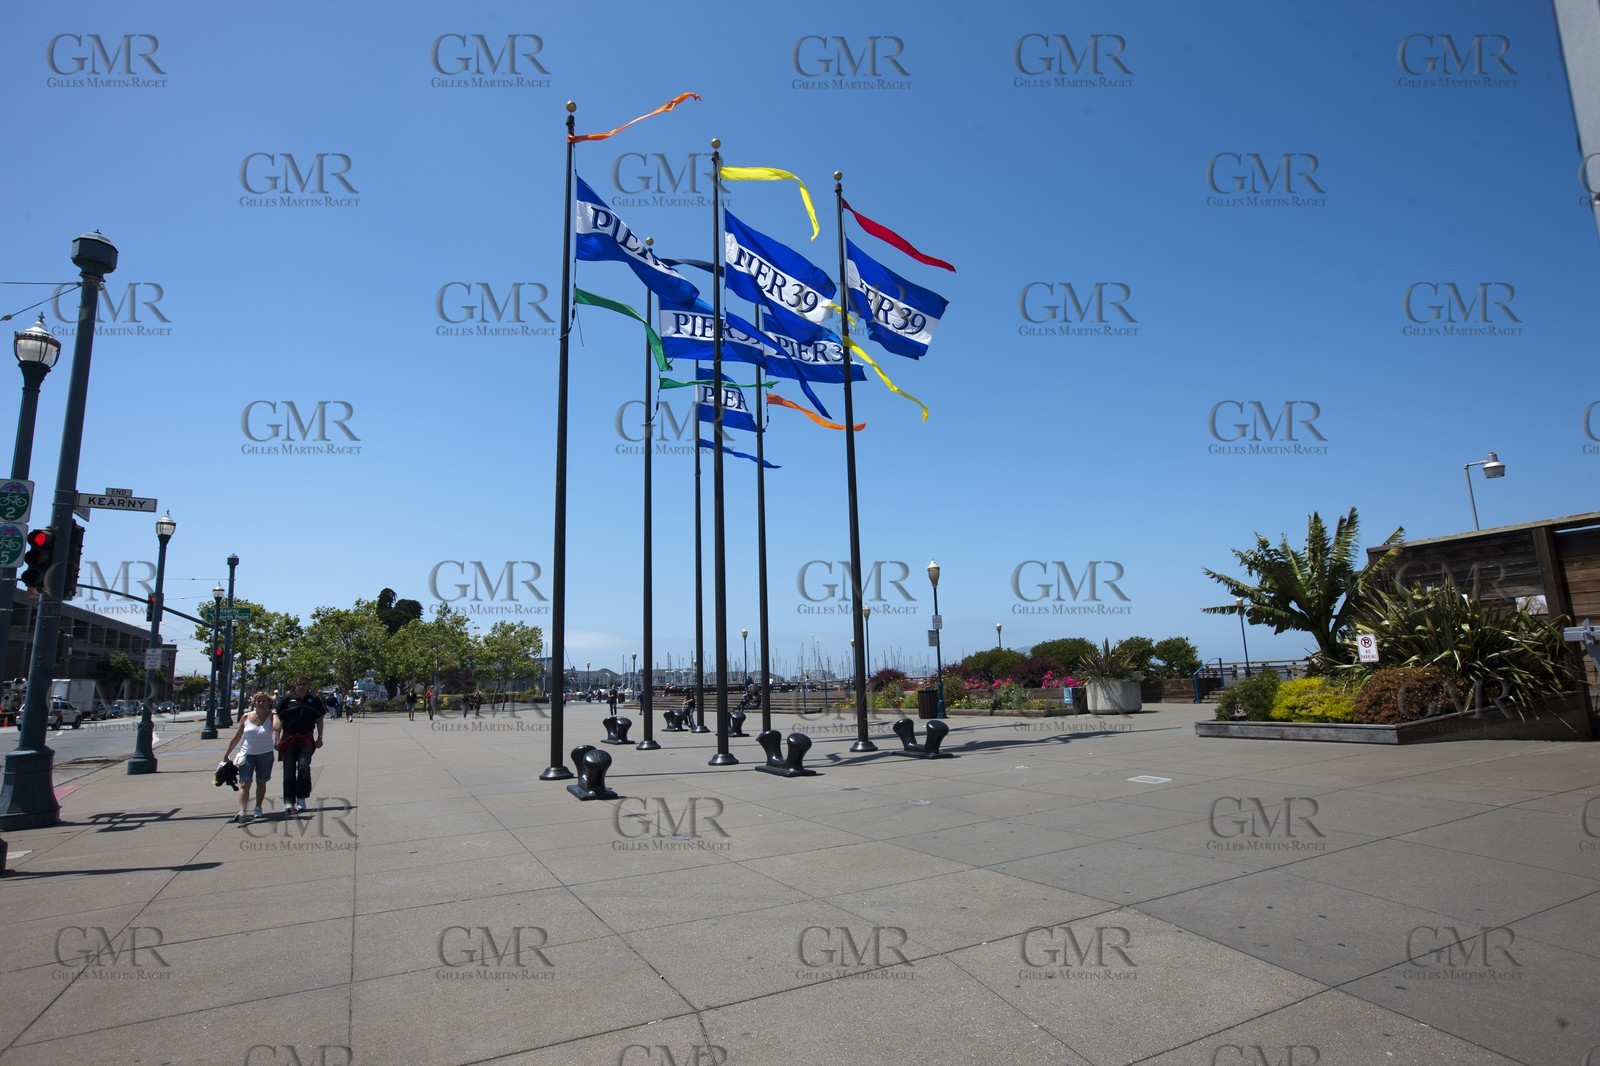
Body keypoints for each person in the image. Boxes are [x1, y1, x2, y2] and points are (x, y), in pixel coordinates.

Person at [274, 676, 327, 815]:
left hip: (306, 739)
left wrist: (320, 737)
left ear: (308, 685)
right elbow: (279, 718)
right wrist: (277, 738)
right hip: (289, 738)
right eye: (299, 684)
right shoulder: (287, 699)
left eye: (304, 684)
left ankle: (301, 798)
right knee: (288, 771)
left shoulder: (314, 700)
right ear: (295, 685)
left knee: (304, 767)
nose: (302, 686)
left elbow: (319, 719)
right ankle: (288, 801)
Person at [223, 691, 277, 822]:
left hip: (265, 754)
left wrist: (275, 715)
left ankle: (258, 807)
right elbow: (237, 737)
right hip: (247, 754)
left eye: (264, 701)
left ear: (268, 702)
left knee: (261, 782)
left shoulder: (272, 716)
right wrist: (227, 754)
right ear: (254, 703)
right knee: (245, 783)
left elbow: (277, 727)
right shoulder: (246, 717)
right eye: (258, 701)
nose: (261, 703)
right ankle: (242, 811)